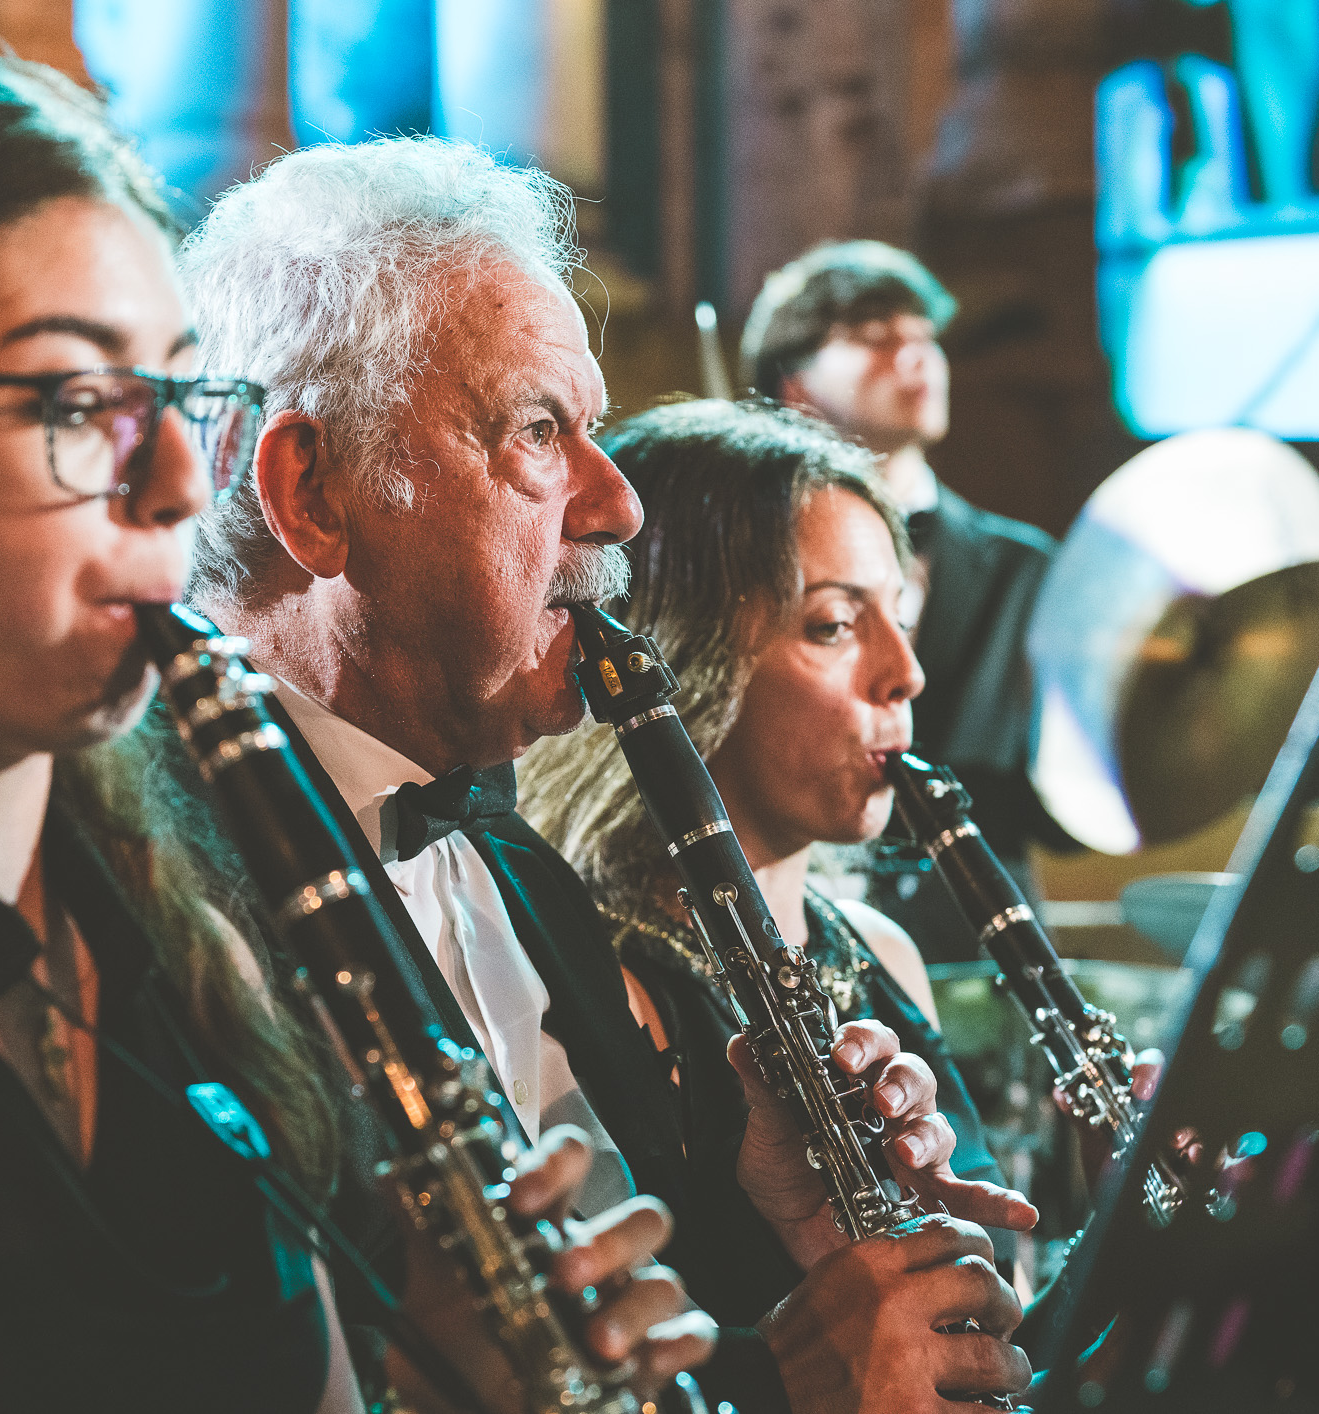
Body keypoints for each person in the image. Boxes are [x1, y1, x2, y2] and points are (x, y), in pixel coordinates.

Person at [0, 58, 702, 1414]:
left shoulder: (176, 941)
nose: (171, 487)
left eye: (172, 399)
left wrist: (440, 1371)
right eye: (71, 405)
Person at [182, 135, 1036, 1412]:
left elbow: (654, 1344)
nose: (618, 503)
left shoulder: (518, 867)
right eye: (539, 432)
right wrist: (786, 1387)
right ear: (313, 493)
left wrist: (793, 1237)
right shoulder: (159, 896)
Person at [517, 398, 1017, 1314]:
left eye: (899, 615)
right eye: (832, 625)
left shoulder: (877, 948)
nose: (904, 671)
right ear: (690, 652)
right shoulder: (597, 992)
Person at [741, 240, 1071, 960]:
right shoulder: (742, 562)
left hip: (983, 956)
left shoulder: (1026, 567)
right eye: (874, 338)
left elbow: (1057, 808)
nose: (915, 357)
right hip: (803, 940)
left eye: (924, 337)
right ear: (794, 383)